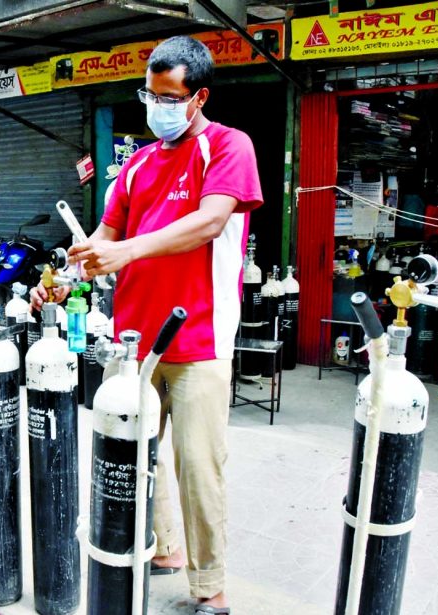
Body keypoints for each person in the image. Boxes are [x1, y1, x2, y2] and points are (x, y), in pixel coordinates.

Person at [32, 36, 262, 614]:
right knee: (136, 452)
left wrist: (129, 251)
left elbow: (209, 222)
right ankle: (166, 549)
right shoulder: (134, 164)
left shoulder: (229, 147)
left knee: (198, 465)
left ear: (197, 96)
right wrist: (64, 274)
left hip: (199, 341)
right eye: (148, 93)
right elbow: (104, 240)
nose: (155, 105)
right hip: (132, 343)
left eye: (167, 96)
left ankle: (209, 588)